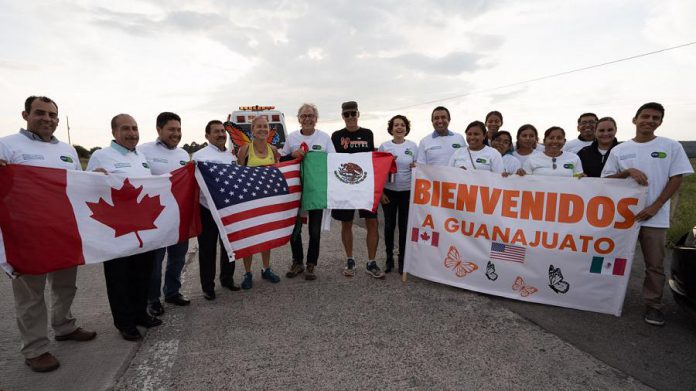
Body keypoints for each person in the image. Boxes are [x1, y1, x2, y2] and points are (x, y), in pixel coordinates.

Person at [0, 96, 96, 372]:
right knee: (30, 296)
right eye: (40, 113)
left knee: (65, 286)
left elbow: (77, 185)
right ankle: (35, 349)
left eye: (53, 115)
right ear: (25, 114)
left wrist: (97, 178)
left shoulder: (67, 150)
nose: (48, 119)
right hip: (26, 234)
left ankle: (64, 326)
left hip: (63, 230)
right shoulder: (7, 145)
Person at [602, 102, 693, 326]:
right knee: (613, 260)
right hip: (622, 218)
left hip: (655, 217)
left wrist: (656, 205)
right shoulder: (620, 150)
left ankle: (653, 305)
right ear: (635, 120)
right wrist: (627, 172)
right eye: (645, 116)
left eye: (655, 118)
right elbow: (605, 180)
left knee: (654, 264)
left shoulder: (671, 146)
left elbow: (677, 178)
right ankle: (607, 299)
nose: (650, 121)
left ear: (660, 122)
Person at [87, 114, 162, 341]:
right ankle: (124, 322)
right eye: (126, 129)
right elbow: (87, 187)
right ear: (114, 133)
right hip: (116, 231)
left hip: (141, 230)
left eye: (135, 128)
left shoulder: (141, 156)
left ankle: (140, 314)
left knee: (142, 274)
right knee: (119, 277)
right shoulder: (101, 156)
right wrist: (93, 177)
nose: (132, 133)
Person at [138, 112, 191, 315]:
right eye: (171, 129)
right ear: (159, 130)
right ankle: (153, 299)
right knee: (155, 261)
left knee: (178, 258)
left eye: (178, 129)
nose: (175, 133)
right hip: (154, 217)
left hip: (177, 215)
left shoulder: (183, 155)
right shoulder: (143, 151)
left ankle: (172, 292)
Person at [282, 103, 335, 281]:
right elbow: (282, 160)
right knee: (295, 228)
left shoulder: (324, 138)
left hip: (316, 190)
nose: (307, 119)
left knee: (314, 230)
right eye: (304, 116)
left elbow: (334, 162)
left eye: (311, 115)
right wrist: (292, 155)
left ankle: (311, 263)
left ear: (316, 118)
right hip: (296, 190)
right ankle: (297, 262)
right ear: (299, 119)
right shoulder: (291, 138)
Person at [331, 101, 384, 279]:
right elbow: (331, 162)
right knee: (346, 223)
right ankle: (350, 259)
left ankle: (371, 262)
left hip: (365, 186)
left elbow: (373, 160)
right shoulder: (336, 136)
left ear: (358, 114)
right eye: (347, 114)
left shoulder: (367, 134)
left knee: (372, 223)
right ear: (342, 116)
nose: (350, 117)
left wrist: (379, 187)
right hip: (344, 187)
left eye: (353, 113)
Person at [192, 120, 239, 300]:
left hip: (227, 208)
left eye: (222, 131)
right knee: (207, 249)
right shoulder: (199, 156)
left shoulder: (231, 156)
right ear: (207, 136)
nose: (221, 134)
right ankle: (208, 286)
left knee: (229, 245)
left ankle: (227, 278)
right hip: (207, 209)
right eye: (216, 131)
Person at [236, 116, 282, 289]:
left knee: (266, 236)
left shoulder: (274, 150)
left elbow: (278, 174)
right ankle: (247, 273)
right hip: (249, 201)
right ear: (252, 130)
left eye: (265, 126)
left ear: (269, 129)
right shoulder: (245, 150)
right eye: (258, 127)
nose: (262, 129)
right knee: (249, 238)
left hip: (268, 201)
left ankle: (266, 268)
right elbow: (239, 175)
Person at [378, 115, 418, 274]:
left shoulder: (413, 146)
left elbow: (419, 168)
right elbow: (378, 171)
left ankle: (403, 260)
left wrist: (416, 166)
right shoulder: (384, 146)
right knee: (389, 226)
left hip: (407, 192)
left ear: (406, 128)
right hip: (389, 192)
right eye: (396, 125)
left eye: (402, 125)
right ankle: (389, 258)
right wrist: (380, 193)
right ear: (391, 129)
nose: (399, 127)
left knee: (404, 227)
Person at [518, 126, 584, 177]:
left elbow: (577, 178)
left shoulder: (574, 158)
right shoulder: (532, 159)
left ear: (564, 141)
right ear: (544, 141)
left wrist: (582, 177)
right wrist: (520, 174)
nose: (555, 141)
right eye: (551, 138)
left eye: (559, 138)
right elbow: (525, 182)